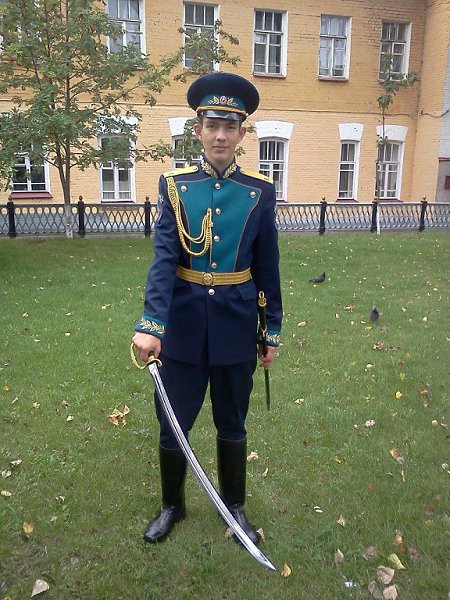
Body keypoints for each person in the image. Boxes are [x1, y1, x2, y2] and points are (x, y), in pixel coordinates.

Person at [132, 72, 282, 546]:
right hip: (183, 325)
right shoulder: (175, 186)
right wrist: (152, 324)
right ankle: (172, 506)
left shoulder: (259, 191)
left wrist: (270, 331)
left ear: (241, 134)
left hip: (237, 323)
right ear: (197, 130)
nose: (220, 135)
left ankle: (234, 508)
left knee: (232, 420)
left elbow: (268, 265)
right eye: (212, 125)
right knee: (173, 420)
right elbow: (164, 260)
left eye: (229, 126)